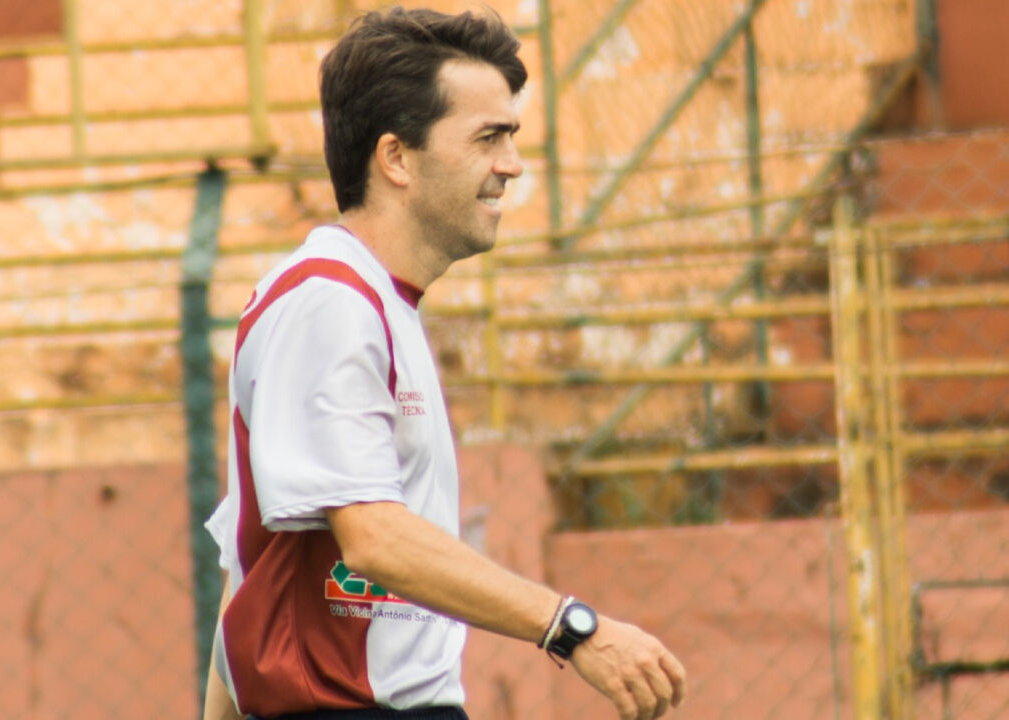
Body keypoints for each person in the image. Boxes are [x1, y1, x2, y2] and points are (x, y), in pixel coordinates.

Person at [203, 7, 687, 720]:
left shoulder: (374, 301)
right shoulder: (329, 304)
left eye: (511, 136)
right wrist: (572, 627)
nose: (512, 164)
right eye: (488, 137)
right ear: (396, 158)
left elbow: (246, 566)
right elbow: (372, 537)